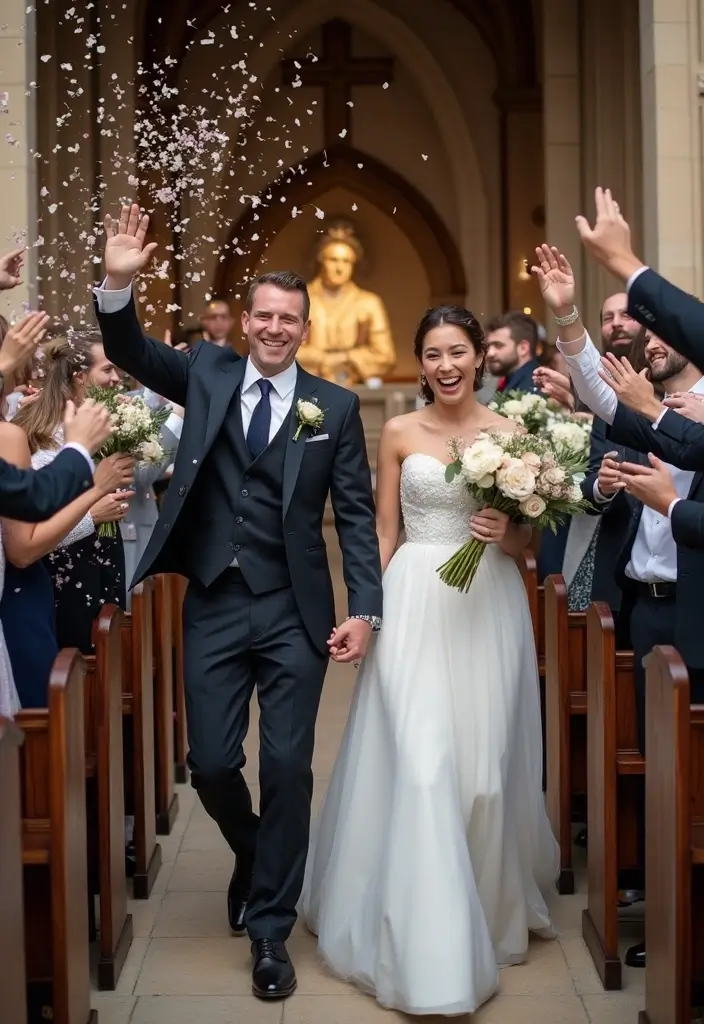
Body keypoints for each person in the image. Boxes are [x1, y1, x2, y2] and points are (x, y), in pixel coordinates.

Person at [92, 203, 383, 1001]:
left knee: (288, 765)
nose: (275, 328)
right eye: (263, 315)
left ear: (304, 326)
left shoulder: (336, 407)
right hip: (216, 600)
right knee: (214, 763)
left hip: (296, 609)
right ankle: (253, 851)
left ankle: (269, 930)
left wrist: (365, 608)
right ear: (246, 321)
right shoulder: (207, 370)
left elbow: (355, 517)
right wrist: (119, 281)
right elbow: (128, 348)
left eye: (289, 318)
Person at [301, 305, 559, 1016]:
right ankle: (427, 949)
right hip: (414, 599)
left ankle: (484, 908)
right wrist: (364, 611)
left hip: (487, 607)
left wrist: (506, 531)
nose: (446, 366)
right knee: (421, 763)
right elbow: (382, 531)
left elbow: (527, 551)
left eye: (458, 352)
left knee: (480, 777)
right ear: (420, 363)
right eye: (433, 355)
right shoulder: (402, 433)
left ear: (480, 357)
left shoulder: (513, 435)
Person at [534, 241, 704, 968]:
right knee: (661, 773)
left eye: (664, 331)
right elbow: (604, 401)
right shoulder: (653, 411)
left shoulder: (688, 418)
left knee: (690, 777)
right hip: (645, 608)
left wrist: (671, 502)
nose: (653, 341)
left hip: (697, 609)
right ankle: (666, 917)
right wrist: (568, 316)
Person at [13, 334, 133, 653]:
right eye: (107, 370)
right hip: (63, 578)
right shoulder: (43, 438)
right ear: (80, 377)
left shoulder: (101, 429)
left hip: (101, 564)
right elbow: (29, 535)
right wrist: (93, 515)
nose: (116, 379)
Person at [297, 220, 396, 385]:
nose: (339, 268)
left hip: (356, 388)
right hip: (305, 385)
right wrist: (322, 360)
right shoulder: (298, 299)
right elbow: (283, 350)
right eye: (333, 260)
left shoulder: (369, 303)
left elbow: (386, 357)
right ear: (321, 261)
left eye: (346, 261)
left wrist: (347, 358)